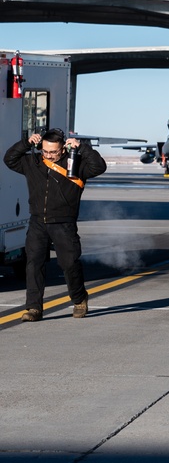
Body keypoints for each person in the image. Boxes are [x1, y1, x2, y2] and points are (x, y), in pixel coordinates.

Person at [4, 129, 107, 321]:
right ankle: (34, 308)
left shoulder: (75, 165)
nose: (49, 156)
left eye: (54, 152)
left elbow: (99, 167)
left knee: (69, 264)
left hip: (64, 224)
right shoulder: (32, 162)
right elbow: (9, 159)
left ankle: (79, 299)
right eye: (45, 151)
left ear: (63, 149)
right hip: (37, 223)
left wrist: (81, 147)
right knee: (34, 264)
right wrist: (26, 143)